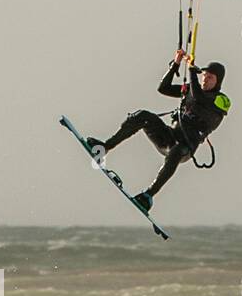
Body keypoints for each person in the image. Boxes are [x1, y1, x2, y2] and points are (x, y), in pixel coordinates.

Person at [86, 53, 230, 211]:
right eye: (204, 75)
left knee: (176, 151)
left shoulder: (221, 101)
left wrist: (191, 72)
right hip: (168, 137)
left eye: (210, 77)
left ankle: (148, 196)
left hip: (185, 148)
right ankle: (104, 148)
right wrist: (175, 64)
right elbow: (163, 88)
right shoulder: (191, 88)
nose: (205, 79)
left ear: (218, 81)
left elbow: (199, 99)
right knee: (142, 116)